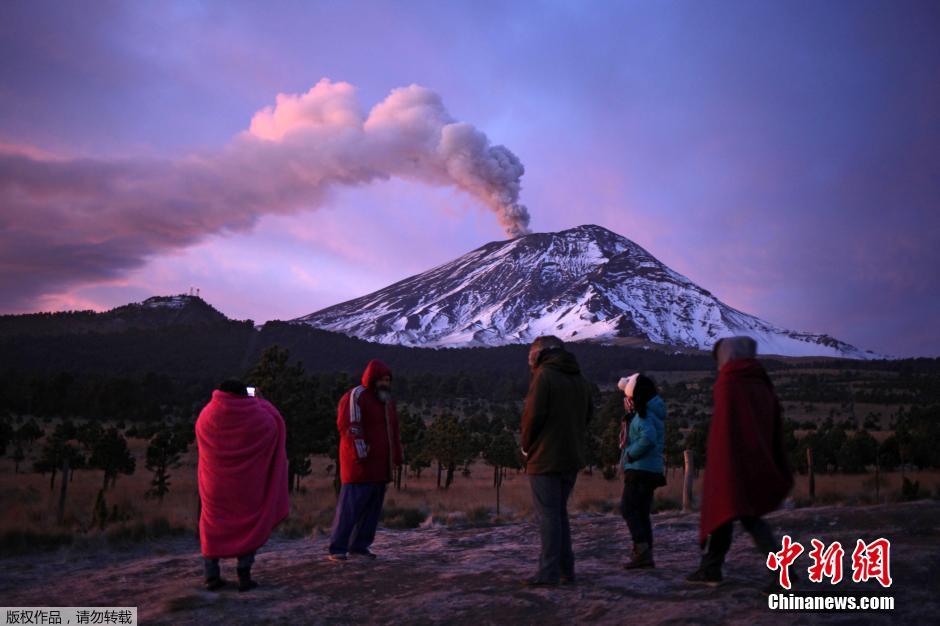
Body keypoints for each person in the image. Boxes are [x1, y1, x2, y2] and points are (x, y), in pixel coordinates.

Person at [686, 336, 794, 587]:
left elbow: (724, 429)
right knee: (729, 515)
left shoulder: (729, 382)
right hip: (756, 458)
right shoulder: (760, 381)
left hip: (733, 464)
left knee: (741, 515)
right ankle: (710, 568)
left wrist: (720, 462)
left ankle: (781, 574)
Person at [196, 380, 289, 592]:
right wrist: (260, 400)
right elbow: (275, 422)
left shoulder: (206, 415)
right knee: (248, 525)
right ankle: (244, 575)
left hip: (214, 486)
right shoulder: (258, 417)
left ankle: (211, 576)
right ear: (242, 394)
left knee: (212, 525)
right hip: (248, 486)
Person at [521, 335, 593, 586]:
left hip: (545, 457)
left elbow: (532, 417)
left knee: (549, 516)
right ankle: (566, 570)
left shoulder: (544, 376)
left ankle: (548, 573)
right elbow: (588, 415)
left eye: (531, 355)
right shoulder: (579, 378)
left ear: (541, 353)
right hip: (571, 456)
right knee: (559, 514)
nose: (529, 361)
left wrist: (525, 446)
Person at [328, 359, 404, 562]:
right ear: (372, 379)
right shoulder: (356, 396)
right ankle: (338, 548)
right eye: (382, 379)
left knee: (371, 512)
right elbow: (350, 427)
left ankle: (360, 546)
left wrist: (396, 456)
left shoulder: (387, 401)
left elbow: (393, 431)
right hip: (360, 466)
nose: (385, 383)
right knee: (350, 509)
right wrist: (360, 453)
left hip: (381, 468)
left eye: (388, 380)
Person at [617, 373, 666, 570]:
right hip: (651, 470)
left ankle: (641, 550)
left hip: (640, 470)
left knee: (628, 508)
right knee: (642, 513)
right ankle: (646, 555)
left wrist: (630, 455)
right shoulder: (652, 413)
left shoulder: (643, 416)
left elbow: (648, 438)